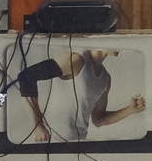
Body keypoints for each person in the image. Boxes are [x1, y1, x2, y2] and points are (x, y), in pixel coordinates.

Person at [14, 49, 145, 143]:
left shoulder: (105, 78)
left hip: (78, 144)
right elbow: (26, 77)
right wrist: (38, 126)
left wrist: (130, 110)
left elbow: (99, 120)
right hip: (51, 141)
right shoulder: (76, 60)